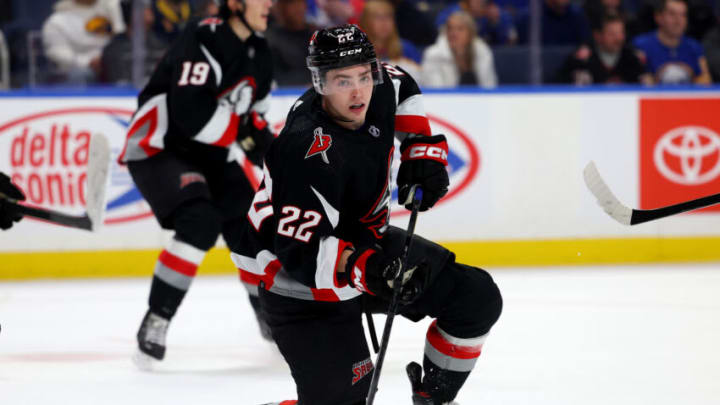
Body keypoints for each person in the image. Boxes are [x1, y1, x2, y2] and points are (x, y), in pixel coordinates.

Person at [231, 24, 502, 404]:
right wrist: (371, 270)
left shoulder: (379, 87)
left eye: (364, 75)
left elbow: (401, 84)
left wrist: (421, 147)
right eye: (343, 81)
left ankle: (433, 397)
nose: (358, 90)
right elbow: (300, 254)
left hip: (361, 244)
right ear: (320, 83)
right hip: (293, 275)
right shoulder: (304, 149)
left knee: (475, 298)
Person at [117, 0, 276, 367]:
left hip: (214, 154)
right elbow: (192, 116)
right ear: (235, 4)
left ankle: (270, 318)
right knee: (199, 223)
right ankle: (157, 318)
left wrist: (279, 163)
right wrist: (248, 134)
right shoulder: (202, 39)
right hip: (161, 148)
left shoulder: (260, 51)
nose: (269, 3)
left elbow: (256, 121)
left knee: (253, 228)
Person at [42, 0, 126, 84]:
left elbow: (124, 38)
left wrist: (108, 59)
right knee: (81, 74)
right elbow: (57, 52)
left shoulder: (113, 7)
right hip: (82, 68)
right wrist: (88, 62)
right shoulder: (56, 21)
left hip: (114, 61)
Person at [559, 13, 652, 85]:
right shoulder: (582, 60)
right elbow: (561, 86)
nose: (618, 38)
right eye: (612, 34)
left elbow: (646, 84)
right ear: (597, 36)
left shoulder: (632, 57)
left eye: (621, 33)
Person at [632, 0, 712, 84]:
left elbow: (706, 80)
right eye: (672, 14)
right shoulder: (641, 45)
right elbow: (636, 81)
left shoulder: (694, 47)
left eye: (683, 15)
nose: (678, 21)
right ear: (658, 17)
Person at [421, 11, 498, 88]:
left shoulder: (482, 51)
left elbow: (490, 86)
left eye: (460, 29)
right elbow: (435, 92)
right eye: (450, 28)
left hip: (480, 98)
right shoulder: (433, 55)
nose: (453, 33)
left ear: (471, 33)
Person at [100, 0, 167, 85]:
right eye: (145, 10)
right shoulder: (114, 49)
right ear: (133, 14)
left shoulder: (161, 46)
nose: (150, 15)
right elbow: (119, 83)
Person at [359, 0, 422, 78]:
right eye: (377, 17)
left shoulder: (406, 48)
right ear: (366, 22)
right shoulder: (356, 50)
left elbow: (420, 79)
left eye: (388, 16)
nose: (384, 22)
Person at [265, 0, 317, 87]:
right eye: (292, 3)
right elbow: (276, 78)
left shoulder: (315, 36)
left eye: (301, 2)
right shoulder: (272, 40)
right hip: (287, 96)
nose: (298, 8)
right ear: (281, 7)